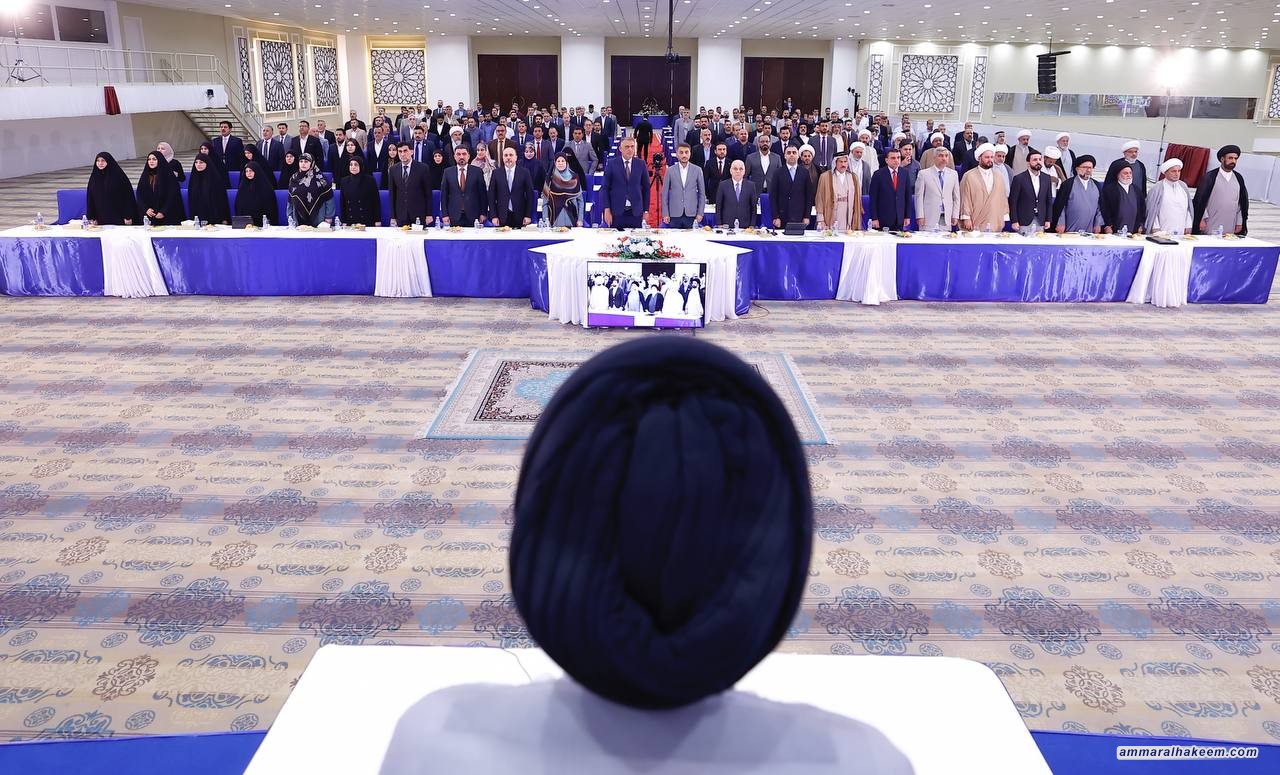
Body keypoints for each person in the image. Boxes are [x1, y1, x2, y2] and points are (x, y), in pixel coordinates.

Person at [1192, 144, 1248, 236]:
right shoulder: (1210, 177)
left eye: (1235, 158)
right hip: (1210, 223)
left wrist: (1240, 222)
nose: (1233, 161)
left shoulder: (1238, 178)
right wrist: (1201, 219)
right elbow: (1199, 200)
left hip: (1231, 224)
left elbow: (1242, 203)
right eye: (1230, 158)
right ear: (1222, 159)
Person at [958, 144, 1009, 233]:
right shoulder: (969, 176)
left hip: (994, 218)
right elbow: (965, 198)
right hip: (975, 218)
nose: (990, 160)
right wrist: (966, 217)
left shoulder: (999, 176)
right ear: (979, 158)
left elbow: (1003, 198)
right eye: (987, 157)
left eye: (992, 157)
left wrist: (1004, 216)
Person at [601, 137, 649, 229]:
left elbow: (646, 188)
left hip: (636, 212)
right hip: (617, 212)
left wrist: (646, 210)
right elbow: (605, 188)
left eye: (632, 146)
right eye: (627, 147)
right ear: (620, 149)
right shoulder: (612, 164)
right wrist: (607, 209)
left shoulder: (641, 164)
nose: (630, 149)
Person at [1050, 154, 1103, 234]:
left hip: (1090, 229)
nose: (1088, 170)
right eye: (1085, 167)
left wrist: (1098, 224)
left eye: (1090, 168)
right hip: (1069, 228)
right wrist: (1061, 223)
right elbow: (1061, 206)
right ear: (1077, 169)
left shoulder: (1097, 185)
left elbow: (1100, 207)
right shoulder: (1068, 184)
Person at [814, 152, 862, 232]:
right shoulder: (825, 177)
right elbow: (820, 199)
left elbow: (857, 201)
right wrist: (820, 219)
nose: (843, 164)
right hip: (831, 215)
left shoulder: (853, 177)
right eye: (840, 162)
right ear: (835, 163)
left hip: (848, 215)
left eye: (845, 162)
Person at [914, 146, 959, 232]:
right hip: (928, 217)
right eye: (941, 156)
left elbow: (956, 197)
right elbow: (919, 197)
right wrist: (920, 216)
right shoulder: (924, 174)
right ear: (934, 158)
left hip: (946, 218)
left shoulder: (954, 174)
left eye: (946, 156)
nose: (944, 158)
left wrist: (955, 215)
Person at [441, 146, 488, 226]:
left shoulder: (477, 172)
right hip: (454, 215)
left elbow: (483, 194)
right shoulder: (447, 172)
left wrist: (483, 213)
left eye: (464, 154)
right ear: (454, 156)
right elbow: (444, 195)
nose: (461, 157)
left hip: (474, 215)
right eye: (458, 154)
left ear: (468, 156)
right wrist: (445, 214)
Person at [867, 148, 912, 231]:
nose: (896, 160)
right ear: (886, 160)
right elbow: (873, 198)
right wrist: (874, 218)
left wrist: (907, 216)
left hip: (899, 218)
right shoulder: (878, 174)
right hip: (882, 219)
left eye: (898, 157)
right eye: (893, 158)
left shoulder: (904, 173)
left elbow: (908, 196)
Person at [85, 152, 136, 226]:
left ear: (108, 161)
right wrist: (92, 217)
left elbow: (127, 197)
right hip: (101, 218)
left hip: (119, 217)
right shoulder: (94, 178)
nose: (100, 163)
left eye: (103, 160)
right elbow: (90, 198)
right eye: (98, 161)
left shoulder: (119, 177)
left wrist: (128, 216)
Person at [388, 142, 432, 227]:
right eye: (400, 151)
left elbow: (428, 193)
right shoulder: (393, 169)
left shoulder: (423, 168)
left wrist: (428, 214)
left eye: (405, 151)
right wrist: (393, 216)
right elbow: (392, 194)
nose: (402, 154)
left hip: (418, 214)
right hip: (401, 214)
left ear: (411, 152)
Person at [135, 150, 185, 226]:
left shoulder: (168, 176)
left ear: (160, 160)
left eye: (154, 159)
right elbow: (140, 194)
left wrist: (163, 212)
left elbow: (172, 196)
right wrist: (146, 209)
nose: (151, 161)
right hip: (150, 215)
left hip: (167, 215)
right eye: (149, 159)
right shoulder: (145, 176)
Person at [1145, 159, 1193, 235]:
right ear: (1165, 172)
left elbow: (1188, 209)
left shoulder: (1183, 186)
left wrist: (1188, 225)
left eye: (1179, 171)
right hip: (1162, 231)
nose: (1177, 174)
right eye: (1173, 171)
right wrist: (1155, 228)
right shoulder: (1157, 188)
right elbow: (1152, 210)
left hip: (1181, 229)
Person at [662, 144, 705, 229]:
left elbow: (702, 194)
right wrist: (665, 213)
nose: (684, 155)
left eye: (686, 152)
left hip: (691, 213)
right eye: (681, 152)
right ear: (677, 154)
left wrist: (700, 213)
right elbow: (664, 194)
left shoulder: (697, 170)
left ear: (690, 153)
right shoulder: (670, 170)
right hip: (674, 213)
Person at [490, 146, 536, 227]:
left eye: (511, 155)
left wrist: (528, 215)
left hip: (520, 216)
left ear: (516, 157)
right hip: (501, 216)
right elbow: (491, 196)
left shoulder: (524, 172)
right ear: (502, 158)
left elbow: (530, 195)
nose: (508, 157)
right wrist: (494, 216)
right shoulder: (496, 173)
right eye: (506, 155)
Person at [1008, 151, 1052, 233]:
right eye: (1035, 160)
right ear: (1028, 163)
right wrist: (1014, 220)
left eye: (1040, 159)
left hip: (1041, 220)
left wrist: (1048, 219)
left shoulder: (1046, 178)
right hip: (1023, 220)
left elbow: (1048, 201)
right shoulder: (1019, 178)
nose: (1038, 161)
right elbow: (1013, 202)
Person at [771, 145, 813, 228]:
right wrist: (776, 217)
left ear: (798, 156)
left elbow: (809, 196)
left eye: (794, 153)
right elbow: (773, 196)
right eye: (789, 153)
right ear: (785, 156)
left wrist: (807, 216)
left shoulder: (804, 172)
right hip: (782, 216)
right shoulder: (778, 173)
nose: (791, 155)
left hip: (799, 215)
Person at [287, 153, 334, 226]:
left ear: (312, 163)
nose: (303, 164)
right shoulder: (294, 178)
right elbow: (290, 200)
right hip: (298, 218)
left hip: (318, 218)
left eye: (306, 161)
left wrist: (329, 217)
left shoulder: (321, 179)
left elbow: (329, 198)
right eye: (301, 161)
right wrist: (289, 216)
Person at [1099, 165, 1145, 234]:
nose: (1129, 175)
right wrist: (1108, 225)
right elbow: (1104, 209)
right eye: (1125, 173)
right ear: (1118, 175)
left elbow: (1142, 209)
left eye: (1130, 173)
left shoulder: (1137, 190)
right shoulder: (1109, 190)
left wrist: (1141, 224)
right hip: (1113, 229)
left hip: (1133, 230)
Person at [186, 153, 231, 225]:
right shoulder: (193, 179)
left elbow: (222, 200)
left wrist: (224, 218)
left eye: (201, 162)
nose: (198, 165)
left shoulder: (215, 179)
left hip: (214, 216)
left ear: (207, 163)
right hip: (198, 217)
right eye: (196, 162)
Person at [543, 152, 583, 228]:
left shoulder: (574, 179)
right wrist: (545, 221)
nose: (560, 163)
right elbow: (545, 203)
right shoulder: (549, 179)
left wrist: (580, 219)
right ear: (555, 163)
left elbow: (580, 201)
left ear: (566, 163)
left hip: (572, 217)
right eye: (558, 161)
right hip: (554, 218)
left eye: (563, 161)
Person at [339, 155, 382, 227]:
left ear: (361, 166)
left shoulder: (370, 180)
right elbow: (343, 203)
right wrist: (343, 221)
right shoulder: (344, 181)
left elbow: (376, 201)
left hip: (366, 220)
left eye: (356, 164)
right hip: (350, 220)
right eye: (351, 164)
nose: (353, 167)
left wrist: (377, 220)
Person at [715, 159, 757, 230]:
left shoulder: (751, 186)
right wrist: (719, 224)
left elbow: (753, 208)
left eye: (741, 169)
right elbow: (718, 206)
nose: (738, 171)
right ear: (730, 171)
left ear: (744, 171)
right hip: (727, 225)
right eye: (735, 169)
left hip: (745, 226)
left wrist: (752, 225)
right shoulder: (723, 185)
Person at [234, 160, 278, 225]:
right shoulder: (242, 187)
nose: (248, 173)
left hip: (262, 224)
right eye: (246, 171)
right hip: (245, 225)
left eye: (251, 171)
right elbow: (238, 205)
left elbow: (270, 209)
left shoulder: (266, 187)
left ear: (256, 171)